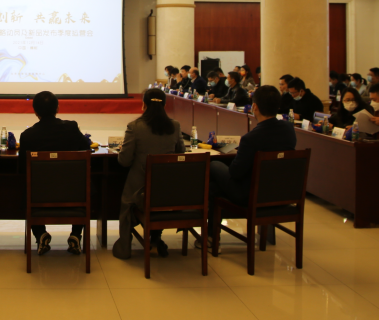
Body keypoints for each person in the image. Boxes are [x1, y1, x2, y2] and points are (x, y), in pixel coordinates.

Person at [201, 86, 296, 249]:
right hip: (281, 193)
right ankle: (210, 237)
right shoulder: (289, 130)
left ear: (255, 107)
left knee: (214, 166)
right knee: (215, 187)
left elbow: (236, 173)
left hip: (251, 195)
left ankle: (211, 237)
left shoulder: (251, 138)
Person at [112, 88, 185, 260]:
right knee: (158, 192)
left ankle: (126, 244)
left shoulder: (135, 127)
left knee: (130, 196)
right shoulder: (175, 126)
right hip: (169, 192)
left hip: (140, 192)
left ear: (143, 105)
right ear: (165, 105)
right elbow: (180, 153)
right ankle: (155, 238)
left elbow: (124, 161)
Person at [18, 91, 91, 256]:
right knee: (85, 186)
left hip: (39, 197)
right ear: (57, 108)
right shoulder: (72, 128)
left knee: (27, 188)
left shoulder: (27, 136)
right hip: (73, 196)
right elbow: (86, 151)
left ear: (35, 111)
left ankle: (40, 234)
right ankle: (76, 235)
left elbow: (22, 169)